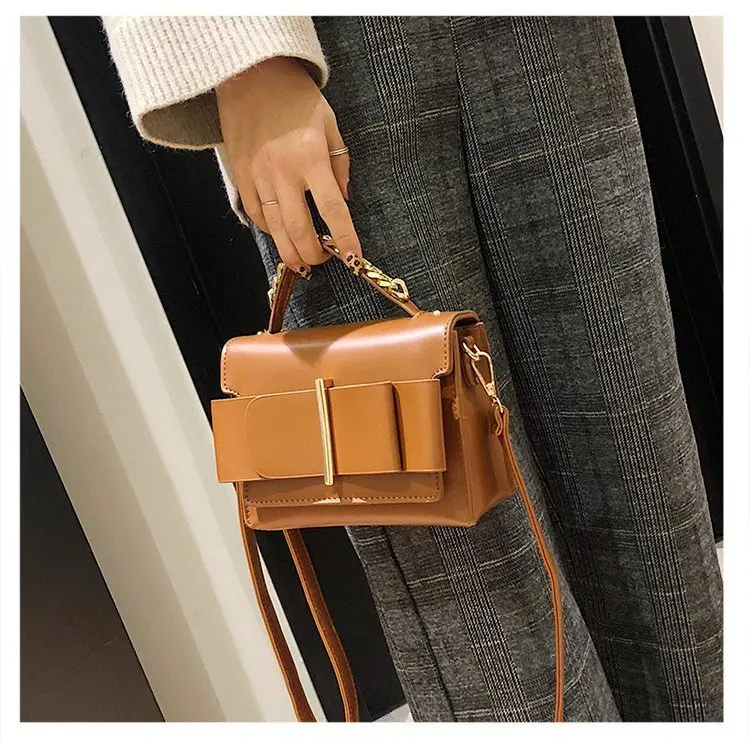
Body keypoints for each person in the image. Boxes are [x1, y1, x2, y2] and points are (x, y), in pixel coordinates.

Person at [105, 15, 722, 722]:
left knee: (638, 467)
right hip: (331, 53)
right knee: (468, 562)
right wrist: (244, 60)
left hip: (556, 31)